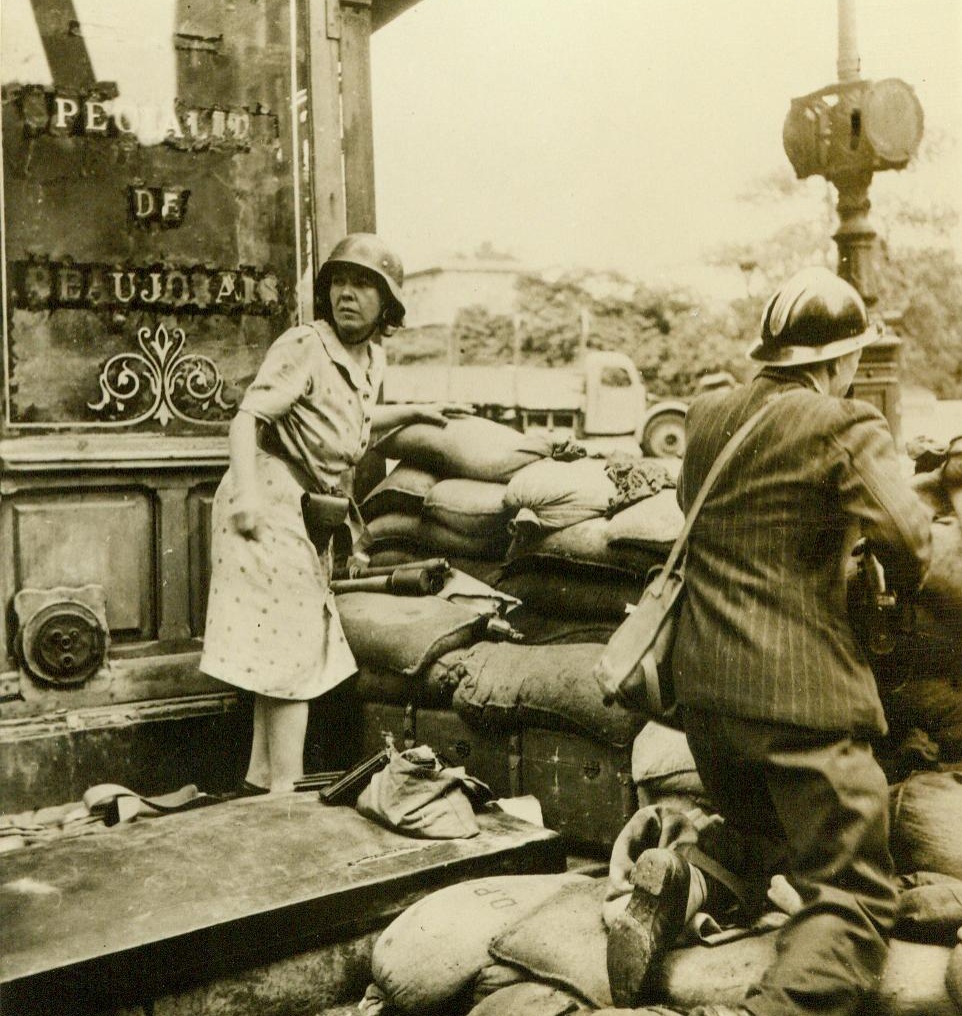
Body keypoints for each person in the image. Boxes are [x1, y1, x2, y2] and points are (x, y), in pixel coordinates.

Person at [606, 267, 933, 1016]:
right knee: (852, 893)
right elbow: (911, 542)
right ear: (843, 361)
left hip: (709, 704)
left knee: (769, 836)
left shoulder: (711, 415)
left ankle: (685, 882)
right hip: (802, 703)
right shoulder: (843, 424)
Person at [200, 233, 467, 795]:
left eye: (365, 285)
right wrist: (247, 496)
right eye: (340, 282)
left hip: (305, 508)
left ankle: (260, 784)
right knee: (291, 649)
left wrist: (415, 410)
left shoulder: (372, 359)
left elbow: (352, 423)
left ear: (388, 305)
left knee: (281, 647)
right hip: (267, 496)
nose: (348, 294)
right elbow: (246, 419)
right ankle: (285, 796)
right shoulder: (305, 345)